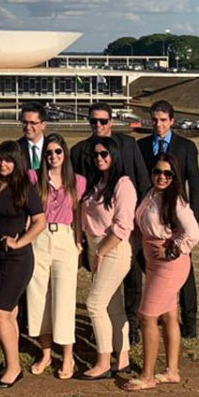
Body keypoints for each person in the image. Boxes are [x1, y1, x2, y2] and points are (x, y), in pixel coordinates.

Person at [71, 103, 150, 344]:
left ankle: (131, 322)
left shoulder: (128, 144)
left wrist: (142, 222)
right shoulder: (79, 151)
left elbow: (142, 181)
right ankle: (104, 326)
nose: (98, 125)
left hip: (127, 224)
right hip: (97, 225)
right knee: (101, 278)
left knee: (132, 276)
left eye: (103, 121)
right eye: (94, 121)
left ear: (111, 121)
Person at [123, 154, 199, 391]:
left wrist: (174, 250)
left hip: (170, 264)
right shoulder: (151, 193)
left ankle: (147, 375)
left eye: (168, 173)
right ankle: (172, 371)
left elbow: (193, 233)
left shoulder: (175, 200)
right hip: (153, 261)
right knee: (168, 314)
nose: (162, 177)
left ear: (175, 176)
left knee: (147, 315)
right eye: (158, 171)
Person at [0, 141, 46, 389]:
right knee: (9, 314)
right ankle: (11, 363)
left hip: (18, 259)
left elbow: (40, 221)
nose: (3, 164)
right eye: (0, 159)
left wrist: (20, 243)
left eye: (8, 160)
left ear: (17, 162)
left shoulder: (25, 188)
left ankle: (13, 368)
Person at [137, 100, 199, 339]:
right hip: (151, 218)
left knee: (184, 271)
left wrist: (193, 217)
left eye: (163, 120)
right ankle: (160, 310)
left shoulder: (186, 146)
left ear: (172, 121)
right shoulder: (141, 146)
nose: (159, 124)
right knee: (151, 268)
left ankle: (190, 320)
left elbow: (194, 183)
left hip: (178, 220)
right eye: (154, 120)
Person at [25, 133, 86, 380]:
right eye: (49, 152)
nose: (53, 156)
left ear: (65, 154)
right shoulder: (33, 177)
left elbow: (79, 212)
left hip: (65, 238)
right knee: (38, 296)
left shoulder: (78, 182)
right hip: (39, 238)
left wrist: (79, 242)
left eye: (58, 152)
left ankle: (68, 355)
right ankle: (46, 352)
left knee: (64, 298)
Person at [77, 136, 136, 380]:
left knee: (94, 303)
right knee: (112, 305)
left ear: (114, 155)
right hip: (95, 246)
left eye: (104, 154)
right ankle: (122, 359)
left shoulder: (123, 184)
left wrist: (101, 251)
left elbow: (123, 226)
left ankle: (102, 361)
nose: (99, 159)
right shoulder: (95, 183)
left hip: (113, 247)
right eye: (95, 155)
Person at [16, 102, 48, 172]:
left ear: (43, 125)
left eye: (32, 123)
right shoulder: (16, 149)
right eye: (25, 122)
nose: (28, 127)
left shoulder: (52, 147)